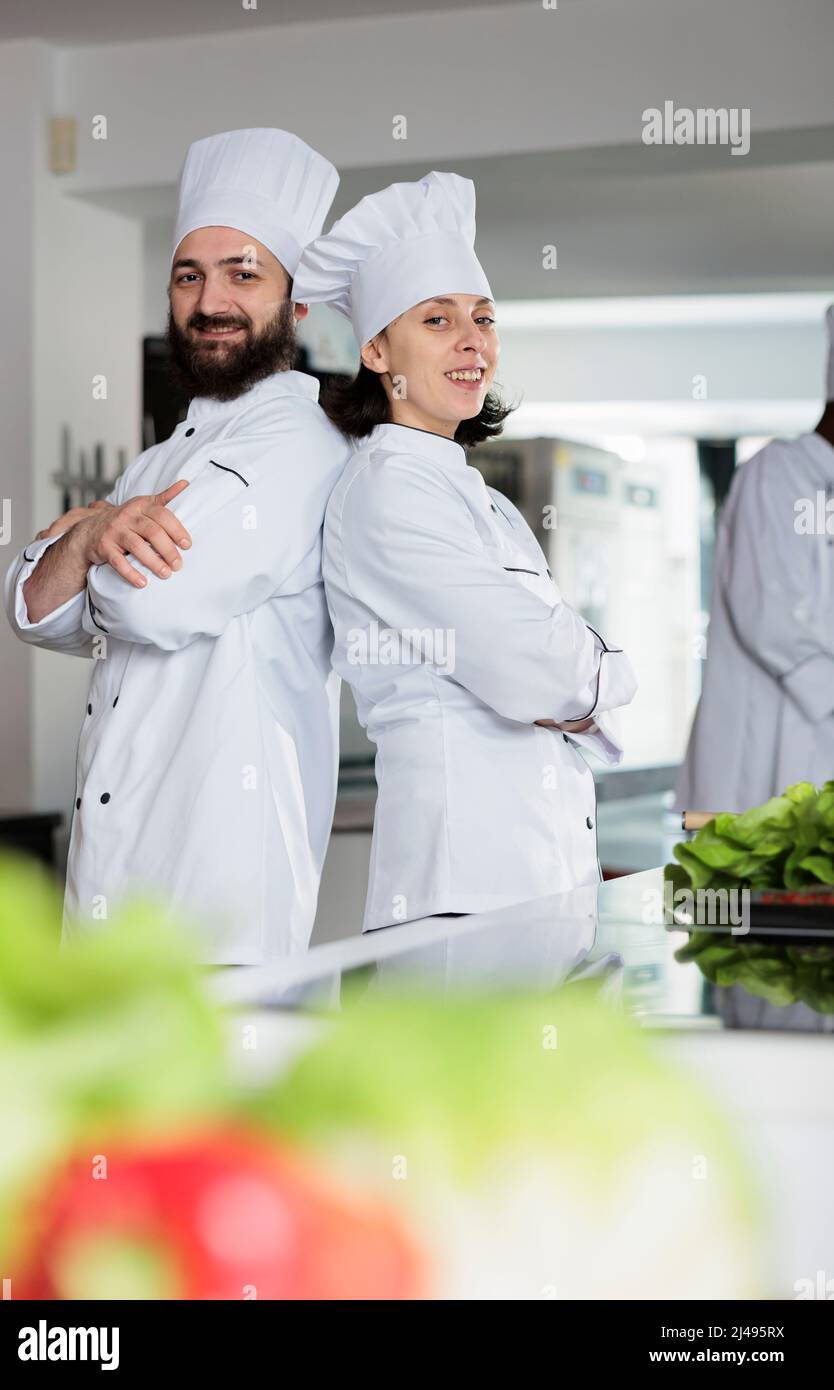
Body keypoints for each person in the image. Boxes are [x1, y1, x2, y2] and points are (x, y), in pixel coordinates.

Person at [4, 128, 349, 964]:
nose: (210, 301)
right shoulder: (160, 459)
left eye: (243, 273)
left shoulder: (300, 443)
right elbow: (31, 610)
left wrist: (84, 545)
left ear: (296, 305)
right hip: (110, 885)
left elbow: (144, 600)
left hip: (217, 896)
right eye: (189, 276)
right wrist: (91, 537)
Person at [292, 171, 638, 932]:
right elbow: (534, 668)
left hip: (542, 881)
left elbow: (548, 674)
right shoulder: (387, 494)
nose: (472, 341)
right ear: (379, 350)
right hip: (459, 891)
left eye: (483, 318)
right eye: (438, 321)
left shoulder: (487, 504)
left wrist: (570, 683)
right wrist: (591, 676)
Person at [676, 305, 834, 815]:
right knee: (752, 890)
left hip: (813, 770)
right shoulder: (777, 473)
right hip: (753, 774)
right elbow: (770, 618)